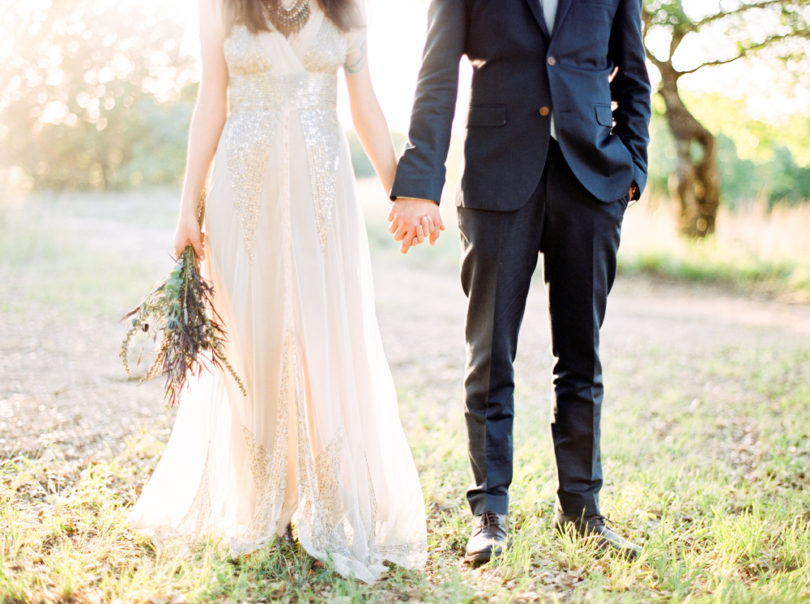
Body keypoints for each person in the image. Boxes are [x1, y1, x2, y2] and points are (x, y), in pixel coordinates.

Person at [129, 0, 427, 584]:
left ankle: (329, 497)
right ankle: (260, 497)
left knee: (324, 331)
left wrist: (403, 193)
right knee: (252, 335)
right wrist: (188, 206)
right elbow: (210, 101)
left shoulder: (346, 8)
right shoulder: (221, 6)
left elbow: (364, 104)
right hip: (243, 188)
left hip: (322, 194)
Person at [388, 0, 651, 563]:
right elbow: (436, 74)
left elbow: (634, 77)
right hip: (496, 173)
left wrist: (633, 170)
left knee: (583, 353)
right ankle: (490, 514)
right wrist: (419, 183)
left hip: (593, 180)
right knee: (490, 354)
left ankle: (582, 511)